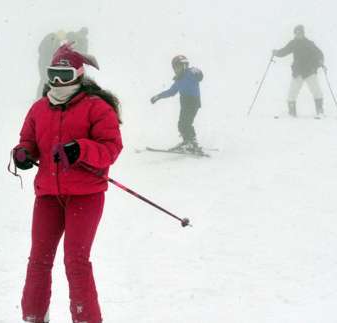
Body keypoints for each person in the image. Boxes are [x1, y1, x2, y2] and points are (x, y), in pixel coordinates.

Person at [12, 43, 123, 323]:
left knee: (75, 262)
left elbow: (111, 148)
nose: (58, 80)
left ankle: (86, 319)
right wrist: (24, 153)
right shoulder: (39, 108)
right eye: (53, 73)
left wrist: (80, 149)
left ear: (79, 73)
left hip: (86, 195)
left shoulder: (96, 107)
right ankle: (33, 317)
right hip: (48, 195)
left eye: (64, 73)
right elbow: (29, 140)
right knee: (38, 260)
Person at [150, 55, 204, 153]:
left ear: (185, 66)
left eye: (178, 67)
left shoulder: (190, 73)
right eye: (174, 68)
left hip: (192, 102)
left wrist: (197, 71)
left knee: (185, 123)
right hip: (185, 104)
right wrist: (158, 96)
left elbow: (199, 76)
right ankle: (188, 141)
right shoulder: (178, 80)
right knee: (181, 124)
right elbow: (171, 92)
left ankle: (191, 142)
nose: (176, 70)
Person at [273, 25, 326, 118]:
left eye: (300, 33)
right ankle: (291, 114)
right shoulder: (293, 43)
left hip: (309, 71)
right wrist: (276, 53)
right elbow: (284, 51)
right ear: (295, 34)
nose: (298, 34)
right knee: (292, 93)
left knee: (316, 91)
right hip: (297, 72)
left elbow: (319, 53)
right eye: (296, 33)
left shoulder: (309, 43)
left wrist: (320, 60)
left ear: (303, 33)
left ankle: (320, 112)